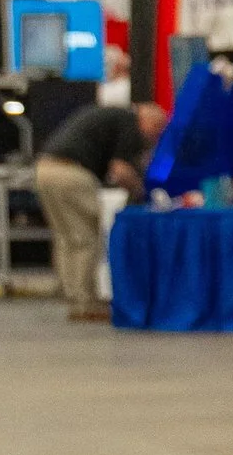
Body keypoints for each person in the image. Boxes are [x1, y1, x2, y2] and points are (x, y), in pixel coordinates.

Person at [34, 97, 166, 320]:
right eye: (157, 130)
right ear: (149, 121)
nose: (154, 138)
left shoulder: (112, 115)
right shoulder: (130, 123)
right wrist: (141, 190)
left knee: (67, 237)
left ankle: (73, 296)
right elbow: (120, 169)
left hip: (45, 169)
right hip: (72, 175)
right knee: (87, 238)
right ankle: (86, 304)